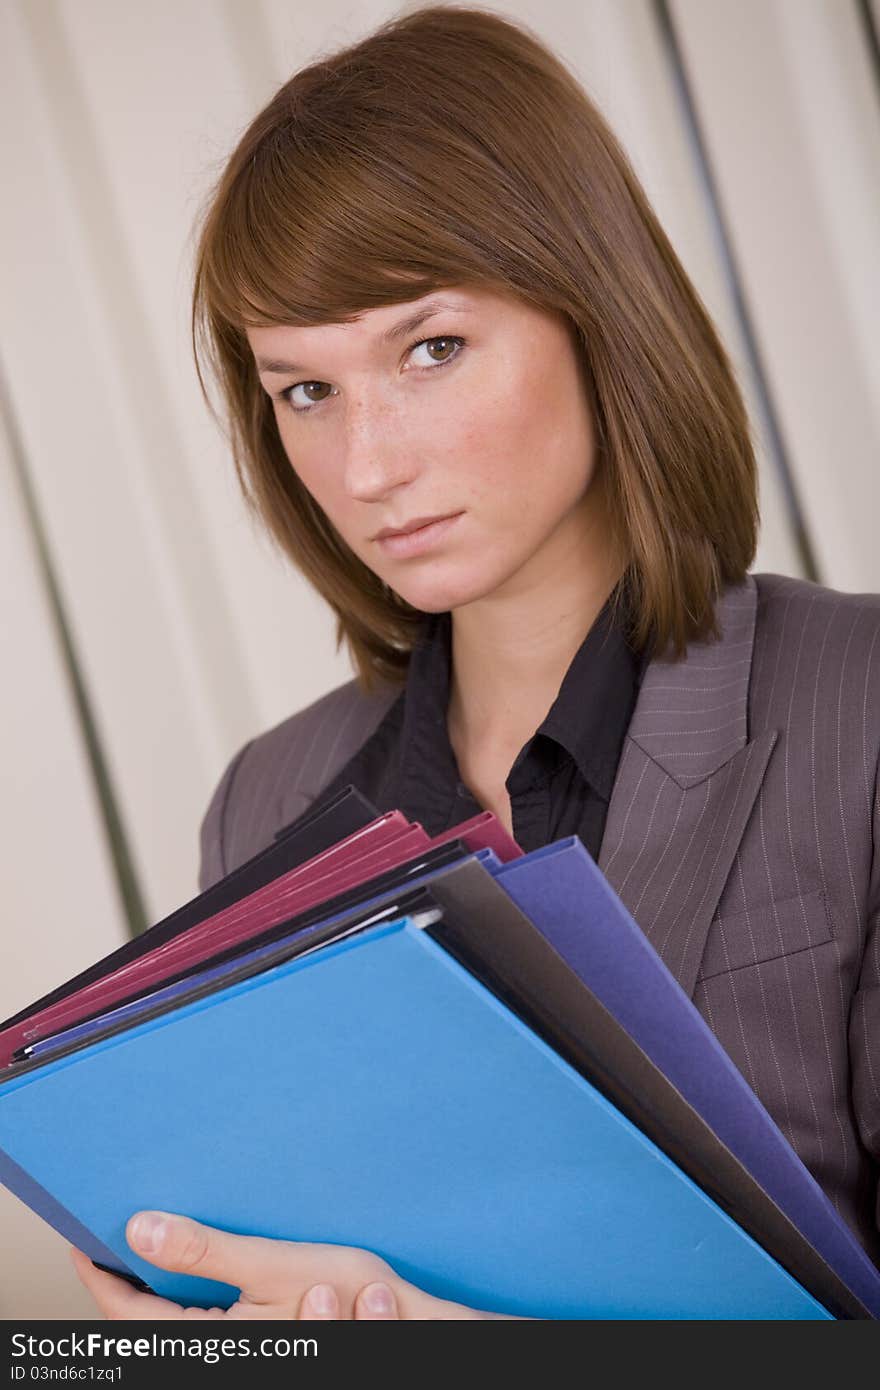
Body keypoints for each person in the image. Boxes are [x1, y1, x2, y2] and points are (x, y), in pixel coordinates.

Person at [71, 3, 880, 1319]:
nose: (368, 466)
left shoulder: (857, 707)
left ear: (594, 312)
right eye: (305, 391)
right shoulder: (266, 802)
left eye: (430, 348)